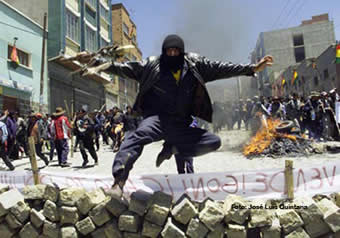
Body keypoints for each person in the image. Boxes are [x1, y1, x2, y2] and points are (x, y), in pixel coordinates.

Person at [79, 34, 273, 193]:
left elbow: (222, 68)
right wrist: (96, 61)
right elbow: (123, 69)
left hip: (181, 122)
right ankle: (119, 181)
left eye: (176, 51)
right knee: (136, 136)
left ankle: (174, 149)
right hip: (157, 119)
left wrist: (252, 68)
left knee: (213, 141)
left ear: (182, 52)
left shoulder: (196, 64)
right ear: (164, 53)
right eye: (169, 51)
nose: (172, 54)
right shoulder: (152, 64)